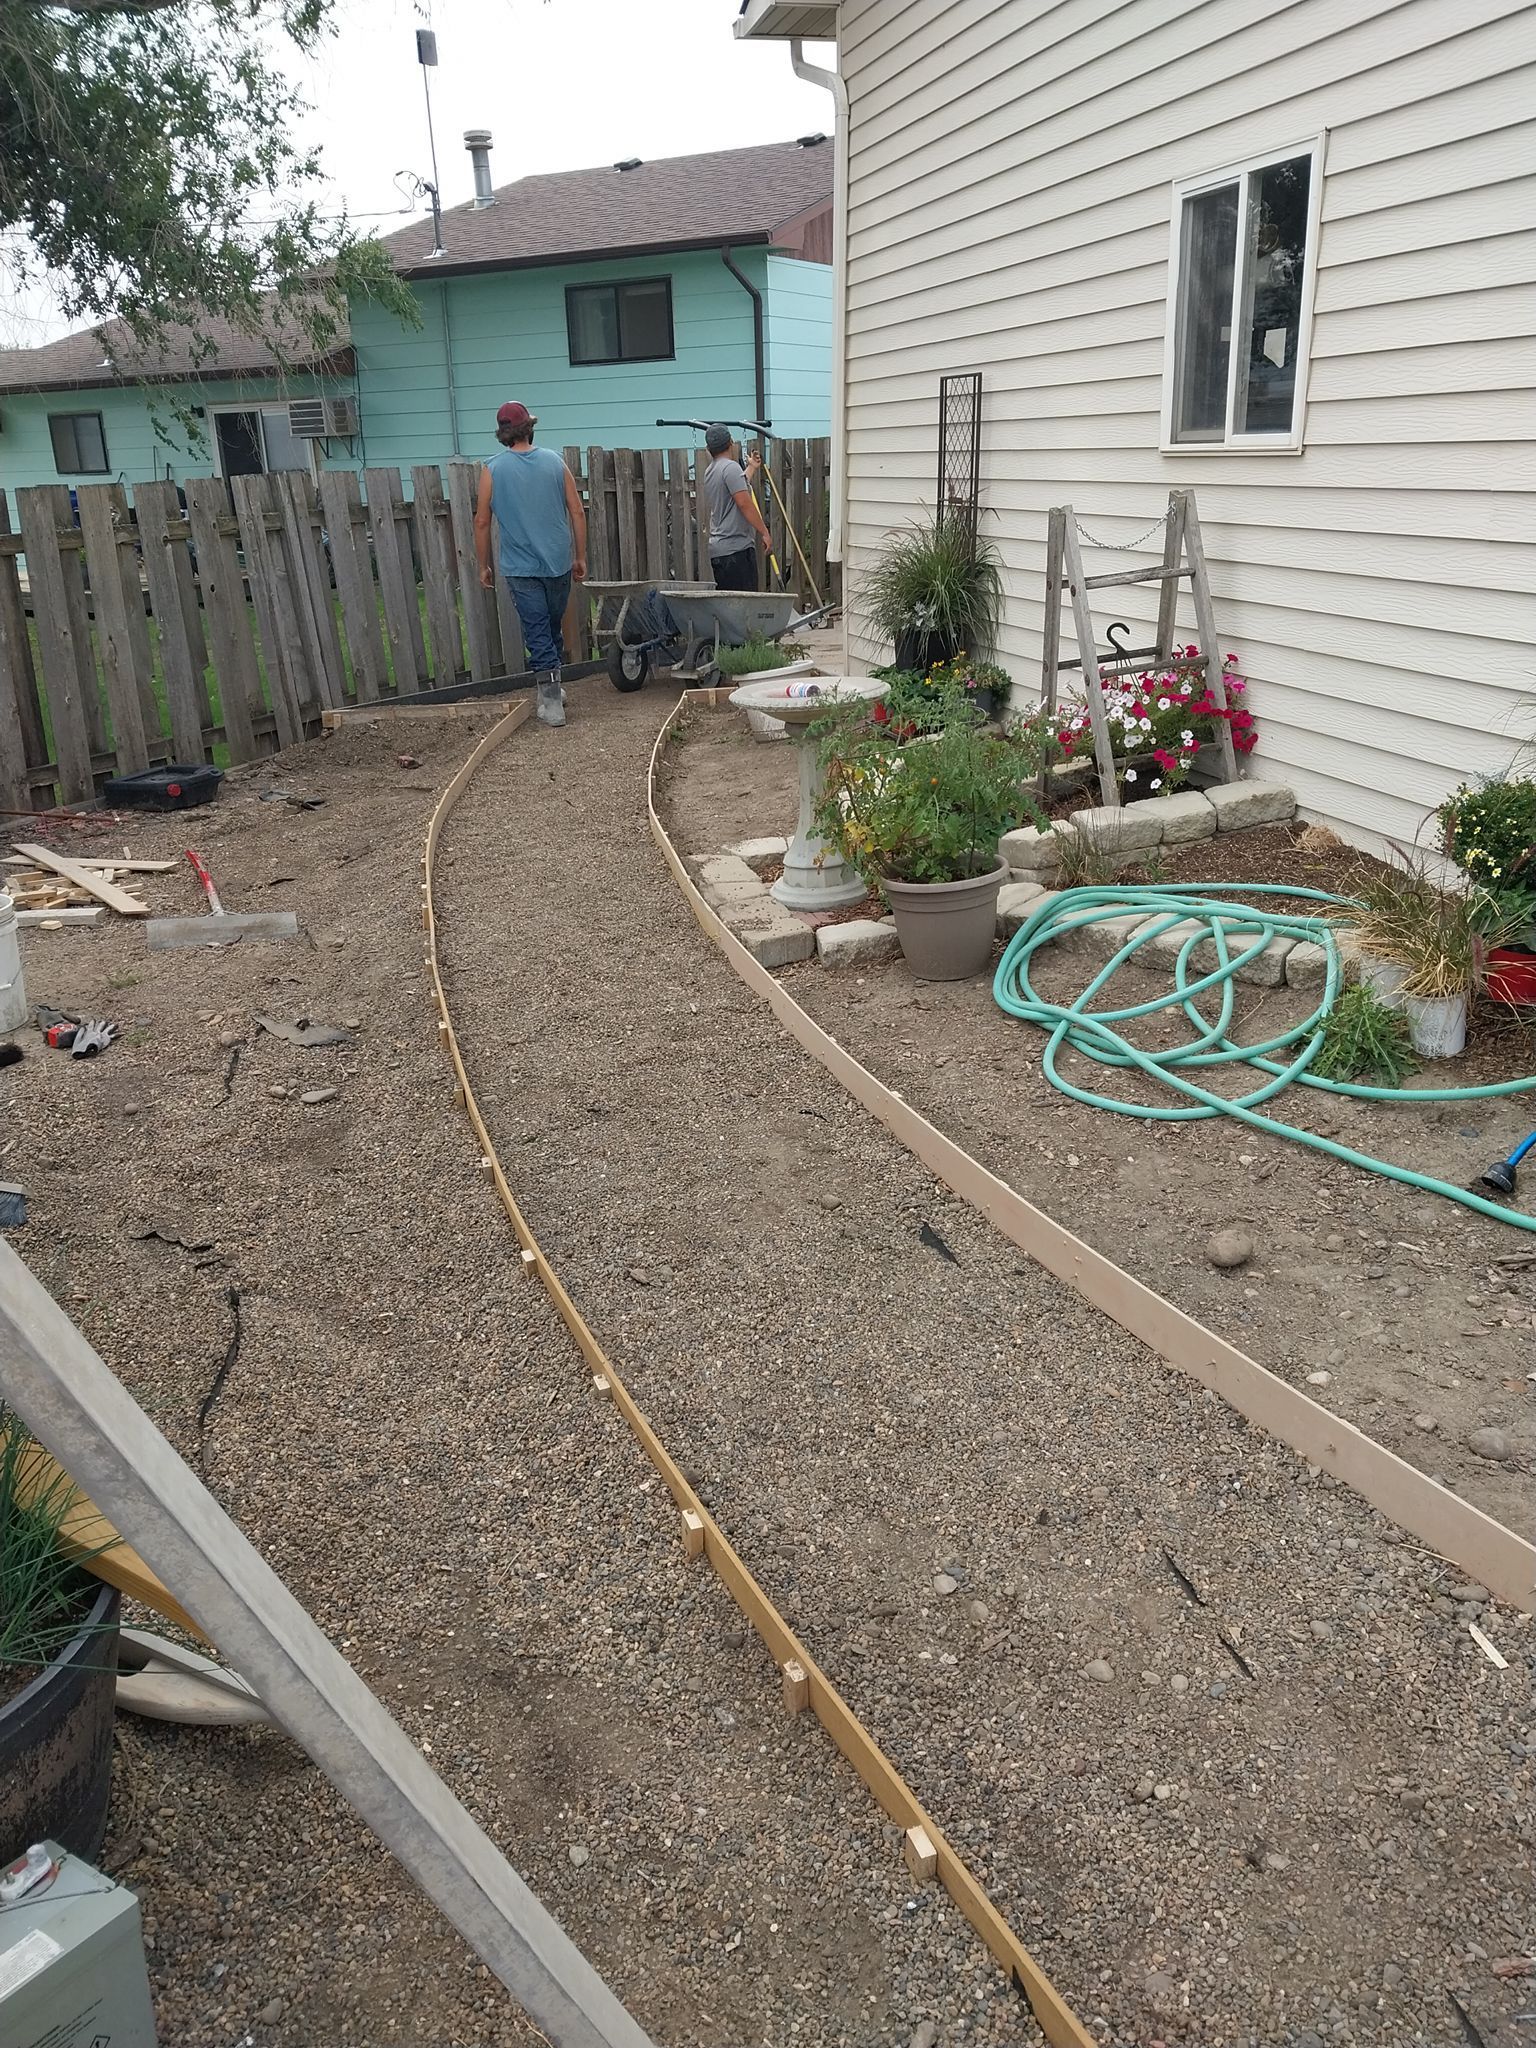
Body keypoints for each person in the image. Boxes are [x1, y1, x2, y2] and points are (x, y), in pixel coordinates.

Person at [475, 401, 587, 728]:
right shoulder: (555, 462)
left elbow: (482, 521)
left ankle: (551, 701)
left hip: (520, 567)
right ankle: (551, 687)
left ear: (503, 434)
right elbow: (577, 511)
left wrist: (483, 564)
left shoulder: (492, 470)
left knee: (539, 628)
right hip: (557, 561)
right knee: (548, 625)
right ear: (529, 428)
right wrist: (579, 556)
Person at [702, 423, 771, 592]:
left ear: (708, 448)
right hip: (736, 551)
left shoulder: (711, 470)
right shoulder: (730, 467)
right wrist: (764, 532)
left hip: (719, 551)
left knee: (729, 608)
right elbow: (744, 503)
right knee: (745, 607)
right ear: (730, 443)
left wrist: (751, 468)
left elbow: (736, 488)